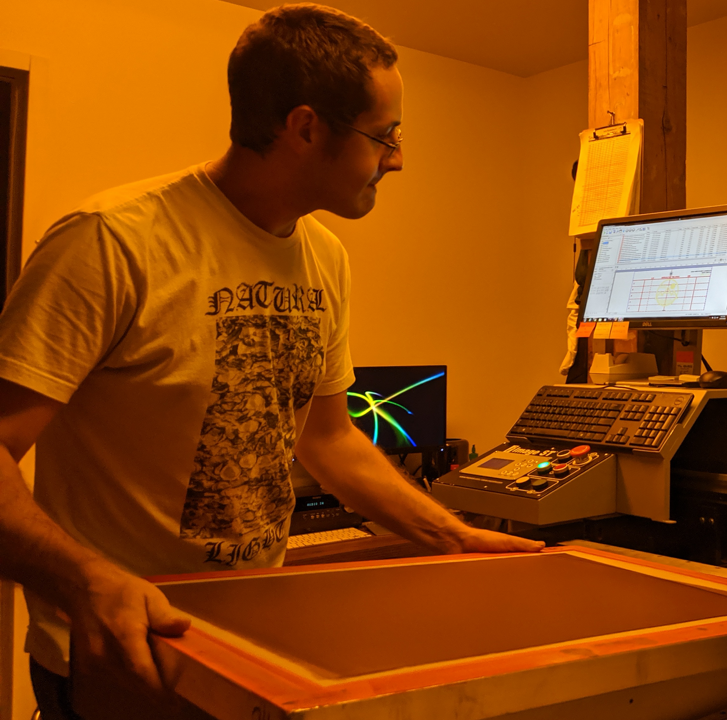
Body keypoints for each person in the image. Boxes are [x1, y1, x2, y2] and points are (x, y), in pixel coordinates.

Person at [0, 4, 542, 717]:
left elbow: (328, 438)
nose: (398, 158)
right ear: (306, 128)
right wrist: (87, 580)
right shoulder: (110, 242)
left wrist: (453, 535)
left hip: (249, 649)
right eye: (386, 135)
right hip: (122, 654)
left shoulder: (324, 258)